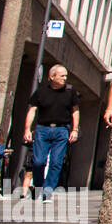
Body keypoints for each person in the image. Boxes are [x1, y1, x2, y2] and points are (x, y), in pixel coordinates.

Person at [23, 65, 80, 200]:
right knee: (38, 162)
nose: (65, 78)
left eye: (66, 76)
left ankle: (47, 191)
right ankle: (38, 187)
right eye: (62, 76)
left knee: (56, 162)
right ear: (52, 77)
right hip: (43, 129)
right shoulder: (41, 92)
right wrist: (27, 129)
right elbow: (32, 111)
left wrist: (75, 130)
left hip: (62, 130)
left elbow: (75, 111)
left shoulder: (70, 92)